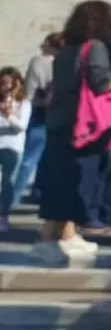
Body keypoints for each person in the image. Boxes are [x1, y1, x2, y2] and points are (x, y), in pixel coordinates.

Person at [37, 1, 111, 264]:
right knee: (77, 181)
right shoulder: (95, 47)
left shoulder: (66, 50)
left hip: (61, 123)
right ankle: (59, 238)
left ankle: (59, 236)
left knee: (61, 181)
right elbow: (101, 84)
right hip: (84, 126)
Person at [15, 33, 61, 210]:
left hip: (38, 111)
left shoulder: (39, 61)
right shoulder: (67, 62)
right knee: (46, 156)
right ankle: (39, 192)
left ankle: (12, 197)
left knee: (29, 158)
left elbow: (29, 91)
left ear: (50, 45)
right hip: (58, 114)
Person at [0, 67, 31, 233]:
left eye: (9, 83)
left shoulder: (23, 104)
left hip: (13, 147)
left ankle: (3, 216)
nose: (5, 87)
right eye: (2, 83)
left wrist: (9, 115)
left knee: (7, 182)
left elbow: (21, 126)